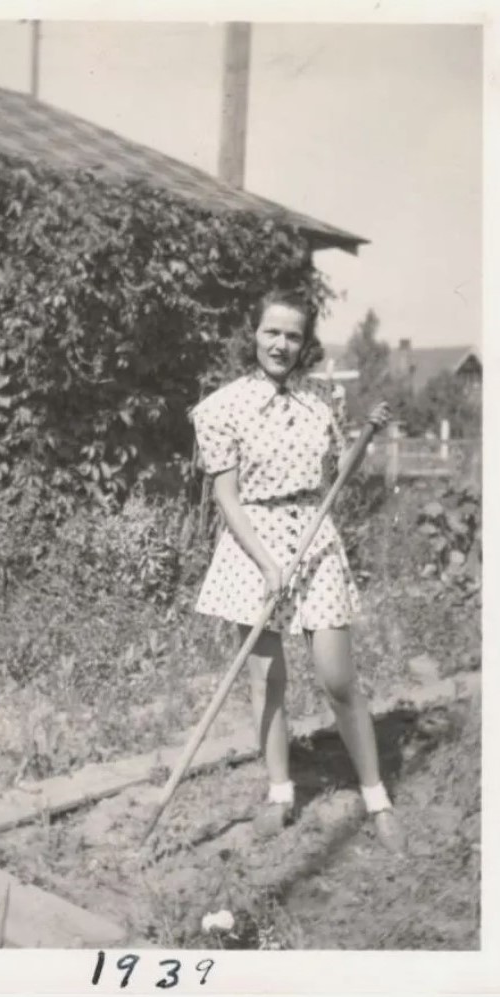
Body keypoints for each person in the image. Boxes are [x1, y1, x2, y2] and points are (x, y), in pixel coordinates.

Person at [190, 288, 405, 853]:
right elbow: (228, 500)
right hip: (251, 546)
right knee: (267, 678)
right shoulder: (221, 407)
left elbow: (338, 479)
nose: (281, 345)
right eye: (271, 332)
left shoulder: (320, 402)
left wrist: (366, 437)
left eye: (292, 336)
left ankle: (376, 795)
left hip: (315, 541)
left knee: (337, 676)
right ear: (253, 333)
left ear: (305, 342)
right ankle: (281, 792)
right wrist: (265, 563)